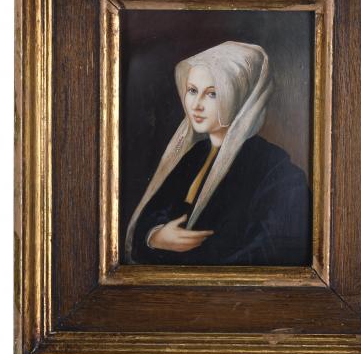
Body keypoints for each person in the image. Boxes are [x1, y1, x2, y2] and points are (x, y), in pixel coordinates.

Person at [125, 41, 311, 266]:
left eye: (212, 94)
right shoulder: (194, 155)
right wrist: (155, 237)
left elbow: (272, 250)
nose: (196, 105)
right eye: (192, 91)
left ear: (241, 96)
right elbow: (148, 217)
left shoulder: (275, 169)